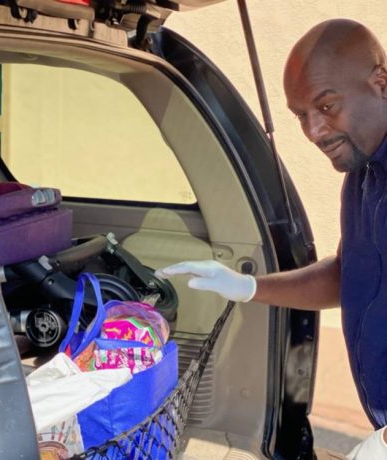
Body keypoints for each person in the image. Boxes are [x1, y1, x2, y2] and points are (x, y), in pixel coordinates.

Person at [155, 19, 387, 459]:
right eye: (301, 116)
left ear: (381, 83)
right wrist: (249, 287)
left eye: (327, 106)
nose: (315, 132)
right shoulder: (362, 178)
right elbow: (348, 274)